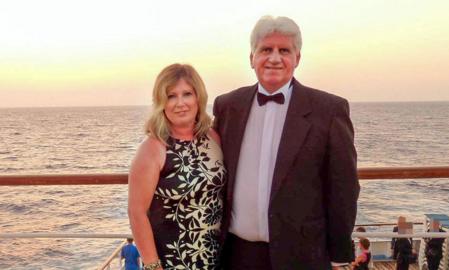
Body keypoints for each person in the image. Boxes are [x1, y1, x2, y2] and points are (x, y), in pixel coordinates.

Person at [213, 15, 360, 270]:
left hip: (302, 256)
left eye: (284, 50)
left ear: (297, 58)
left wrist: (339, 253)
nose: (274, 58)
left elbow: (343, 186)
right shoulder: (227, 106)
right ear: (252, 58)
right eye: (266, 50)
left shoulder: (329, 110)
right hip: (236, 254)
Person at [128, 64, 226, 270]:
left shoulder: (213, 138)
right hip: (173, 262)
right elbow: (137, 212)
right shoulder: (153, 149)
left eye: (187, 94)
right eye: (171, 96)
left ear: (198, 97)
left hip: (216, 258)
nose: (180, 103)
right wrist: (153, 266)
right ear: (161, 103)